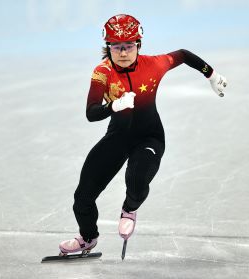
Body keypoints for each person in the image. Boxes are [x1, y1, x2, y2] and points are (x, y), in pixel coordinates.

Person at [58, 14, 227, 255]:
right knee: (83, 196)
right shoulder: (102, 73)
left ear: (138, 45)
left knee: (137, 180)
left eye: (128, 46)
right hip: (118, 136)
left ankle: (129, 209)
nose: (123, 52)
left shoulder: (154, 64)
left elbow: (183, 55)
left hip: (150, 137)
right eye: (116, 47)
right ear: (108, 47)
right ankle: (88, 237)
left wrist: (211, 75)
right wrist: (113, 107)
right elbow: (91, 112)